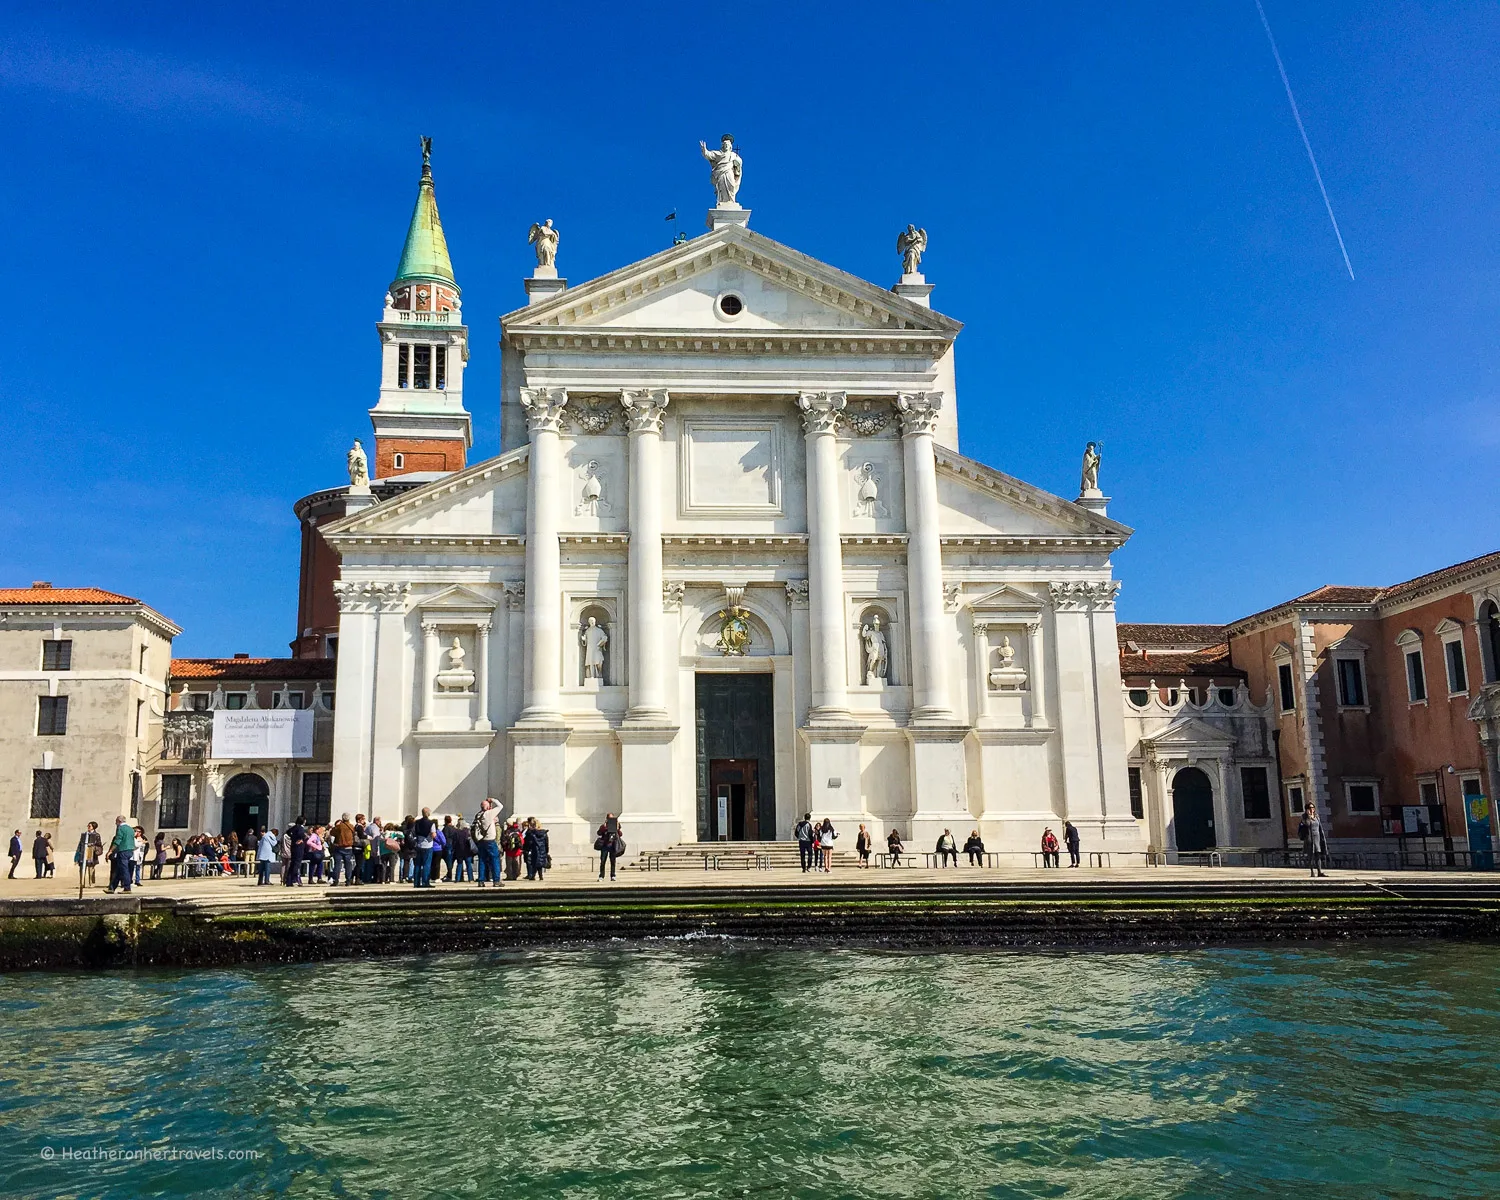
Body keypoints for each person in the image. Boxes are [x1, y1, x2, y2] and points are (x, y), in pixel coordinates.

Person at [473, 798, 502, 887]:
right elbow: (500, 806)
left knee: (482, 860)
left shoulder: (478, 815)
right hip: (490, 841)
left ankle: (481, 881)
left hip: (481, 841)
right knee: (495, 860)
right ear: (488, 807)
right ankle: (496, 880)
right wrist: (492, 800)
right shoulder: (489, 814)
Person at [1300, 803, 1330, 878]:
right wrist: (1308, 817)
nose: (1312, 809)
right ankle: (1312, 872)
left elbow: (1320, 827)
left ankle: (1319, 871)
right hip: (1309, 838)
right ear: (1306, 809)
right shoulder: (1304, 817)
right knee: (1311, 855)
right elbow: (1307, 824)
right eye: (1310, 808)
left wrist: (1322, 838)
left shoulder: (1316, 816)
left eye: (1313, 807)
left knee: (1318, 855)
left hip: (1317, 838)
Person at [106, 816, 135, 893]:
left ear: (119, 821)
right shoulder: (130, 829)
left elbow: (118, 840)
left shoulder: (121, 828)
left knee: (124, 870)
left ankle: (127, 888)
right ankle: (112, 888)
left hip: (123, 850)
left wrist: (111, 851)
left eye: (116, 822)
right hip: (130, 850)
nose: (116, 823)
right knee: (118, 869)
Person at [411, 808, 437, 888]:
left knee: (417, 865)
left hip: (419, 845)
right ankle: (425, 882)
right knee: (426, 865)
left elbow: (414, 832)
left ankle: (416, 883)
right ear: (428, 813)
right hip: (428, 845)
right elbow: (433, 835)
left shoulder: (417, 822)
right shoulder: (431, 823)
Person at [330, 813, 357, 885]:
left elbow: (332, 833)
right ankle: (348, 880)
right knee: (348, 864)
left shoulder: (339, 826)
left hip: (339, 846)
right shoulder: (351, 826)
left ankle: (336, 880)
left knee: (337, 864)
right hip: (349, 847)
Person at [594, 814, 621, 881]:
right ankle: (601, 876)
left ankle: (613, 875)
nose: (610, 820)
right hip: (605, 846)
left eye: (612, 818)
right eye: (609, 818)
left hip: (613, 845)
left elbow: (620, 834)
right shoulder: (604, 826)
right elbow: (599, 833)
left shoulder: (616, 825)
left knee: (613, 861)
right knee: (603, 861)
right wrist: (604, 827)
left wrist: (617, 828)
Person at [75, 822, 103, 886]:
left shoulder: (96, 835)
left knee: (91, 869)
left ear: (93, 827)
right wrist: (78, 853)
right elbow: (80, 844)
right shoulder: (84, 834)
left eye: (89, 826)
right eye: (88, 826)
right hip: (83, 852)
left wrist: (93, 846)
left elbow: (99, 844)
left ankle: (91, 883)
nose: (88, 827)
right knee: (82, 868)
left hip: (91, 853)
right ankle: (82, 883)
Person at [526, 818, 553, 882]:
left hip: (534, 849)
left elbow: (530, 842)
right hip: (542, 850)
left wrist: (528, 849)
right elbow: (546, 842)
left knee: (534, 863)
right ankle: (540, 876)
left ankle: (533, 876)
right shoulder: (544, 833)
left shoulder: (532, 833)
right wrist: (546, 850)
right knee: (539, 863)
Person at [284, 815, 308, 886]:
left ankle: (288, 880)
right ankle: (293, 879)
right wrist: (301, 838)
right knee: (296, 864)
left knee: (292, 864)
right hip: (299, 847)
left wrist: (293, 838)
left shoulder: (294, 827)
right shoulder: (300, 828)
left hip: (294, 846)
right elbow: (301, 834)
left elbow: (288, 832)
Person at [450, 818, 475, 883]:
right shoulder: (467, 831)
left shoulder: (456, 832)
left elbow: (454, 842)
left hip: (459, 851)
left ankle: (457, 879)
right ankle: (471, 879)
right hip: (467, 850)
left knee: (459, 864)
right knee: (468, 865)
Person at [440, 815, 457, 882]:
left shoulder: (446, 829)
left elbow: (444, 837)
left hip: (447, 846)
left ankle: (449, 875)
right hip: (453, 846)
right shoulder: (454, 829)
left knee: (448, 862)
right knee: (450, 861)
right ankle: (449, 875)